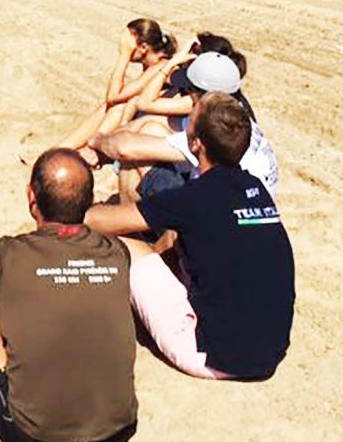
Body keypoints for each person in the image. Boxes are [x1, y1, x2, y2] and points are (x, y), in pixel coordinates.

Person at [0, 149, 137, 442]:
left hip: (35, 436)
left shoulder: (5, 255)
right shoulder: (116, 252)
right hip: (118, 430)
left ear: (32, 198)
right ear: (89, 200)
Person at [86, 93, 294, 380]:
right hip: (269, 352)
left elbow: (96, 221)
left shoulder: (193, 198)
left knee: (120, 246)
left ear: (195, 144)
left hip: (214, 355)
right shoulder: (256, 188)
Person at [87, 51, 278, 202]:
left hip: (220, 216)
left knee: (133, 157)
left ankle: (130, 231)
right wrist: (101, 151)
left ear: (203, 95)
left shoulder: (213, 129)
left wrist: (96, 141)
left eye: (188, 90)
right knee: (149, 128)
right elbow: (152, 122)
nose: (185, 95)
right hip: (246, 205)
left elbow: (126, 149)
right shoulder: (233, 115)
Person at [58, 18, 177, 150]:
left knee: (118, 107)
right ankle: (62, 150)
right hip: (151, 116)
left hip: (164, 125)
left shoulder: (161, 65)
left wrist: (124, 55)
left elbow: (114, 96)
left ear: (143, 48)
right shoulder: (153, 64)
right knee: (109, 107)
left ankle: (84, 150)